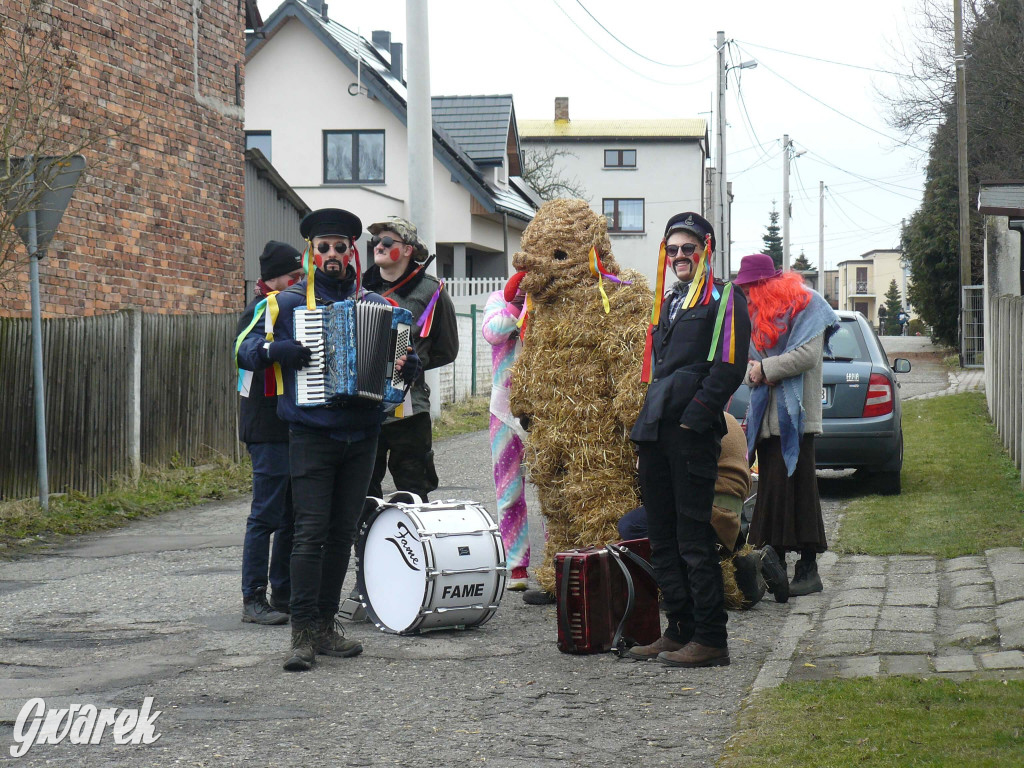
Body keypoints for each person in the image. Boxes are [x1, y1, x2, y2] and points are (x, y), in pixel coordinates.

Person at [236, 208, 422, 671]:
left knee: (341, 534)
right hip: (310, 435)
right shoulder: (286, 304)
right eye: (325, 248)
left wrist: (407, 369)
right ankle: (300, 632)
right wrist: (276, 350)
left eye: (342, 247)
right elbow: (244, 349)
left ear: (352, 253)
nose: (334, 254)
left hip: (363, 434)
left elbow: (399, 367)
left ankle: (323, 625)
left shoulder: (379, 306)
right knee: (308, 532)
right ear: (312, 253)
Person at [627, 212, 751, 668]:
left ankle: (711, 638)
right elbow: (659, 370)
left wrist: (695, 418)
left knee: (692, 535)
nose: (680, 256)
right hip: (656, 427)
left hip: (690, 432)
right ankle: (678, 630)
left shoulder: (725, 298)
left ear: (706, 251)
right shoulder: (667, 303)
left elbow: (729, 366)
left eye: (688, 248)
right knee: (660, 535)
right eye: (672, 249)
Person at [733, 253, 839, 597]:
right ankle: (774, 566)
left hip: (796, 418)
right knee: (772, 495)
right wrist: (754, 368)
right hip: (766, 419)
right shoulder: (756, 316)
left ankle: (807, 569)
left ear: (765, 286)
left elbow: (808, 356)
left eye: (750, 289)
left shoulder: (809, 306)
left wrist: (764, 369)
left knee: (796, 492)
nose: (746, 295)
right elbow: (752, 359)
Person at [617, 412, 790, 608]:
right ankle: (751, 562)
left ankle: (675, 588)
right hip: (734, 520)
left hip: (707, 514)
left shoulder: (690, 420)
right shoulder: (727, 417)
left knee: (630, 526)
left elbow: (652, 473)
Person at [362, 217, 459, 501]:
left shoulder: (431, 290)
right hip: (365, 405)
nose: (379, 246)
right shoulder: (359, 288)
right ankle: (366, 543)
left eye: (387, 241)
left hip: (410, 408)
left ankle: (413, 544)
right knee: (363, 487)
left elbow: (447, 348)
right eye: (376, 241)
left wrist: (416, 364)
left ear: (407, 250)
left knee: (414, 488)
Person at [236, 241, 305, 626]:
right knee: (265, 515)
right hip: (266, 428)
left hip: (293, 424)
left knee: (292, 515)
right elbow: (242, 351)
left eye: (300, 275)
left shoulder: (295, 307)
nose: (299, 281)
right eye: (292, 276)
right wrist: (275, 350)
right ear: (271, 279)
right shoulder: (260, 307)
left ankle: (284, 592)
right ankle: (253, 598)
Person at [481, 278, 531, 591]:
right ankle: (516, 565)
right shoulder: (499, 298)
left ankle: (558, 560)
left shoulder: (555, 300)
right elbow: (492, 333)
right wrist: (516, 303)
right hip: (505, 409)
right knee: (509, 490)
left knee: (555, 490)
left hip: (548, 408)